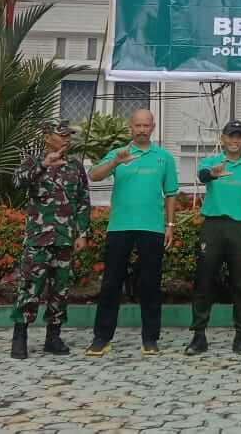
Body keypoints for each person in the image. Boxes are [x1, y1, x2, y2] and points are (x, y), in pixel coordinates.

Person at [85, 109, 178, 357]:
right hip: (120, 226)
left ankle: (150, 338)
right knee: (111, 283)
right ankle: (102, 338)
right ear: (130, 127)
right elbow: (93, 176)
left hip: (152, 228)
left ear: (153, 127)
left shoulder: (164, 158)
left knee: (150, 284)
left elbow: (171, 193)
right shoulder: (119, 153)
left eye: (146, 125)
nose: (142, 130)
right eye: (138, 125)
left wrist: (170, 225)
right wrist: (115, 162)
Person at [9, 121, 91, 359]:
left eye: (69, 135)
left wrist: (82, 233)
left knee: (60, 290)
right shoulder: (32, 161)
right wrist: (44, 164)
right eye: (62, 135)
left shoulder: (75, 165)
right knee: (29, 288)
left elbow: (83, 200)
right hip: (38, 239)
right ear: (47, 137)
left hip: (64, 239)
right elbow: (17, 181)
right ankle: (20, 336)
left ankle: (53, 337)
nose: (67, 139)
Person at [184, 120, 241, 357]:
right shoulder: (211, 162)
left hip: (239, 228)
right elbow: (202, 176)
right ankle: (199, 336)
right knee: (204, 281)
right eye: (231, 136)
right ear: (223, 138)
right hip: (213, 226)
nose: (234, 140)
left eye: (239, 136)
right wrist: (212, 174)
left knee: (240, 284)